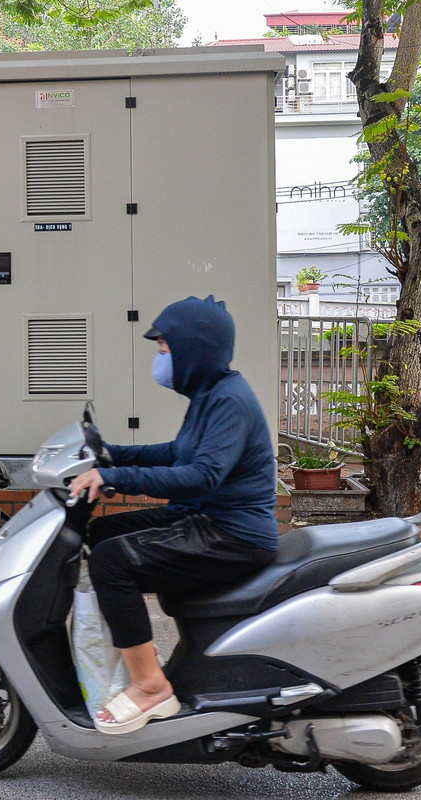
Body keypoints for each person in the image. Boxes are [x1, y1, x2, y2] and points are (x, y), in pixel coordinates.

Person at [68, 295, 278, 735]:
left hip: (231, 533)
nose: (160, 358)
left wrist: (115, 479)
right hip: (205, 518)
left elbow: (201, 475)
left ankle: (150, 688)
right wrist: (108, 454)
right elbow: (175, 453)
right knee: (101, 533)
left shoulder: (229, 402)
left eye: (164, 348)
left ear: (194, 350)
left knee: (111, 563)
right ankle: (127, 663)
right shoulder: (209, 395)